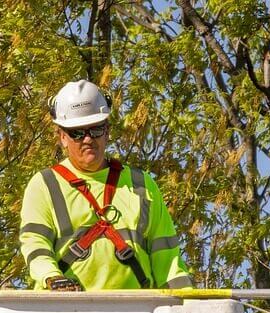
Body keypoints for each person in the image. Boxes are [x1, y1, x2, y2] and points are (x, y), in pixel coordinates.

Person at [19, 80, 192, 292]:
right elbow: (35, 244)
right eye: (77, 132)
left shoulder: (141, 185)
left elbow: (168, 258)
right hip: (65, 311)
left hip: (136, 312)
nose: (88, 139)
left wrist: (187, 307)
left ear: (107, 131)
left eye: (96, 129)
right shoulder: (45, 185)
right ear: (62, 137)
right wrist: (51, 277)